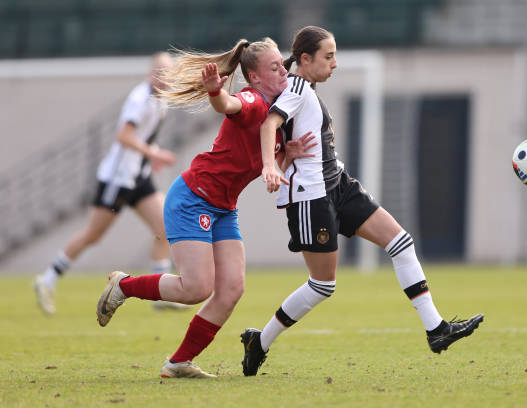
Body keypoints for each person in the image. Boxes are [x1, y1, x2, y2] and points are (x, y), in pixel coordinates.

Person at [240, 26, 485, 376]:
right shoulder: (295, 87)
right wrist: (269, 166)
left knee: (400, 242)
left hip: (339, 185)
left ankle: (436, 329)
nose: (335, 63)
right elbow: (269, 124)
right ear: (305, 59)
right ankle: (259, 341)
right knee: (323, 285)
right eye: (328, 56)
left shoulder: (305, 88)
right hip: (311, 197)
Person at [95, 38, 315, 379]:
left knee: (231, 290)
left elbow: (261, 162)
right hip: (193, 197)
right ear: (255, 78)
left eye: (282, 66)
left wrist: (288, 154)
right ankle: (124, 286)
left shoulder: (277, 116)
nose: (283, 72)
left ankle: (178, 362)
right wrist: (215, 92)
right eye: (274, 68)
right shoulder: (253, 101)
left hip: (223, 207)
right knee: (196, 289)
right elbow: (230, 104)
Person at [34, 52, 185, 316]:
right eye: (159, 71)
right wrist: (155, 154)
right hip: (118, 179)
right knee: (93, 234)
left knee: (165, 224)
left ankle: (161, 292)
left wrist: (152, 153)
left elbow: (143, 137)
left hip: (138, 176)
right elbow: (124, 136)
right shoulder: (140, 99)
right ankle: (47, 278)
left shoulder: (160, 100)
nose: (164, 76)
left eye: (168, 71)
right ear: (150, 73)